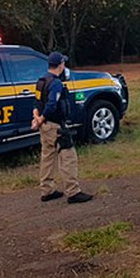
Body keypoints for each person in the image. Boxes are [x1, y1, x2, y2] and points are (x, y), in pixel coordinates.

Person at [31, 52, 93, 204]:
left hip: (44, 127)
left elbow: (37, 103)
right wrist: (43, 117)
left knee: (47, 157)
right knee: (68, 157)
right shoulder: (56, 83)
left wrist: (37, 119)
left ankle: (47, 190)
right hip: (55, 126)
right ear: (60, 65)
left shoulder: (41, 81)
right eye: (63, 63)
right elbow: (52, 104)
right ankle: (73, 192)